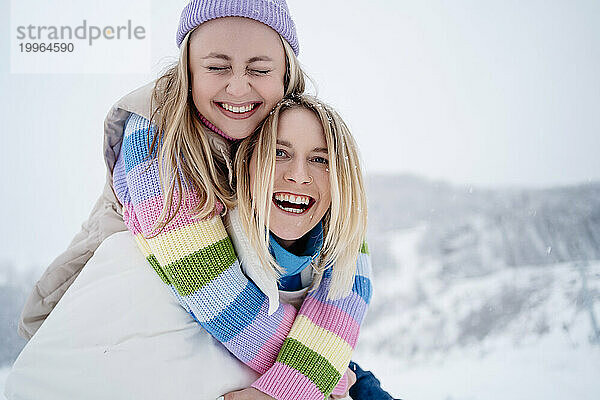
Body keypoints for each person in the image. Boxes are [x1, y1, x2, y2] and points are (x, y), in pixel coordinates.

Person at [230, 94, 396, 400]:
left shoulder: (325, 260)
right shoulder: (213, 246)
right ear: (247, 163)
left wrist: (338, 376)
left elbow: (339, 363)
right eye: (279, 153)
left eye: (320, 160)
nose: (298, 176)